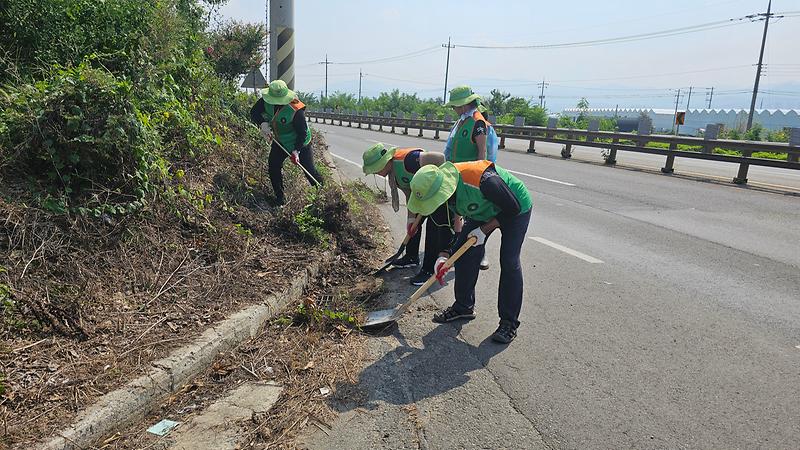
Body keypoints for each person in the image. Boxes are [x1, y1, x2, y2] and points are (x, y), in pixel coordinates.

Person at [406, 160, 532, 344]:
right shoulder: (439, 198)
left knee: (509, 261)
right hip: (481, 212)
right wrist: (443, 258)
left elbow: (512, 208)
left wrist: (484, 229)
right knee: (463, 255)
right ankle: (463, 306)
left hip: (515, 207)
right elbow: (445, 230)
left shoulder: (482, 179)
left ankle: (509, 323)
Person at [362, 143, 454, 285]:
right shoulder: (393, 173)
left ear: (385, 161)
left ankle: (428, 270)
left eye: (375, 169)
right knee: (413, 227)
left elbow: (439, 157)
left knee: (433, 229)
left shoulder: (409, 160)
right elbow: (408, 192)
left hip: (438, 194)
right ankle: (411, 257)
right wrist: (411, 218)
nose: (375, 173)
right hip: (421, 196)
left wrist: (437, 181)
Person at [444, 84, 495, 270]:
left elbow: (482, 153)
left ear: (464, 105)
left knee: (475, 216)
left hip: (472, 177)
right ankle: (458, 245)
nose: (454, 109)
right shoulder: (462, 121)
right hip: (457, 174)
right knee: (458, 211)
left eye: (455, 106)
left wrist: (478, 180)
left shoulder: (478, 122)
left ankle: (481, 253)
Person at [250, 80, 323, 205]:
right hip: (280, 141)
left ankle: (323, 196)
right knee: (273, 165)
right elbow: (254, 113)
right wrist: (263, 123)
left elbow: (302, 132)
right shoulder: (265, 101)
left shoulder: (295, 109)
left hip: (301, 143)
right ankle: (280, 199)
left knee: (309, 170)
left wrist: (296, 151)